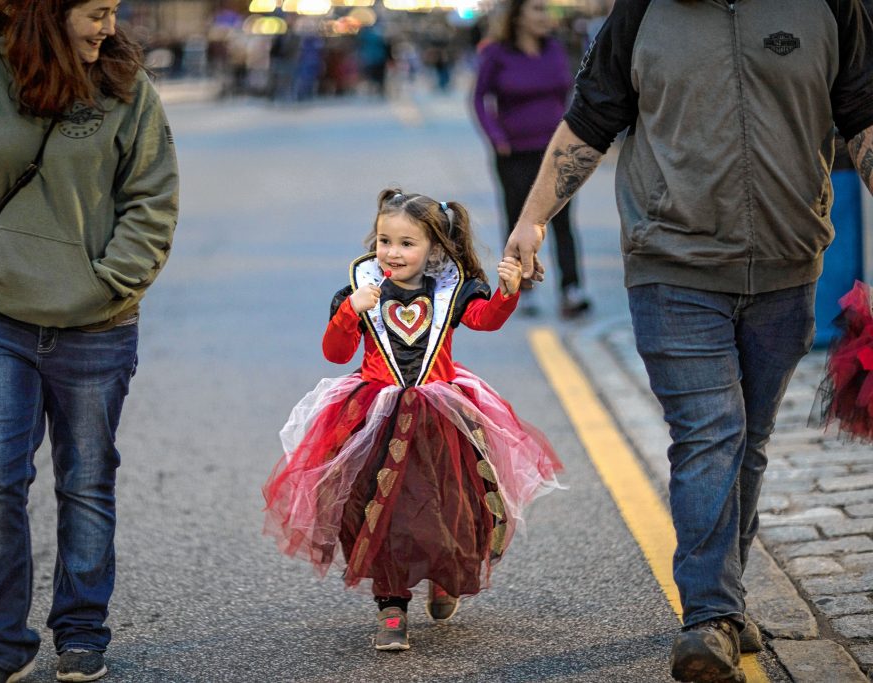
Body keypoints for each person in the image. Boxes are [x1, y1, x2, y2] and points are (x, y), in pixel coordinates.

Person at [503, 1, 873, 681]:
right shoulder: (641, 11)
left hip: (789, 269)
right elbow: (590, 119)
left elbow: (863, 115)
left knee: (749, 437)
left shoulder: (828, 6)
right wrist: (531, 221)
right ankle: (709, 616)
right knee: (709, 431)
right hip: (671, 265)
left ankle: (725, 598)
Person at [0, 1, 179, 681]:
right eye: (95, 11)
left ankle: (81, 631)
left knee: (86, 481)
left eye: (113, 12)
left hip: (100, 323)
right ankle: (0, 643)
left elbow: (151, 196)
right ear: (47, 12)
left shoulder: (124, 85)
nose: (107, 27)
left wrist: (112, 281)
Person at [262, 189, 561, 651]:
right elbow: (335, 352)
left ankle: (443, 578)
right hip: (373, 415)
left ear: (434, 249)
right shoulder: (359, 290)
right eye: (384, 241)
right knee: (377, 507)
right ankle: (392, 606)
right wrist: (349, 313)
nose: (392, 253)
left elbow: (485, 320)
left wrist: (506, 294)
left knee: (446, 504)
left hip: (438, 416)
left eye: (406, 243)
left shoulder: (450, 289)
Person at [473, 0, 590, 317]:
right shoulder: (496, 53)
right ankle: (521, 289)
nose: (545, 16)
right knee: (518, 220)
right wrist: (496, 137)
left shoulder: (554, 48)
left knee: (563, 221)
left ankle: (571, 288)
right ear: (518, 16)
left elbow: (569, 92)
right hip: (515, 152)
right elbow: (479, 98)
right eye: (537, 8)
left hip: (555, 151)